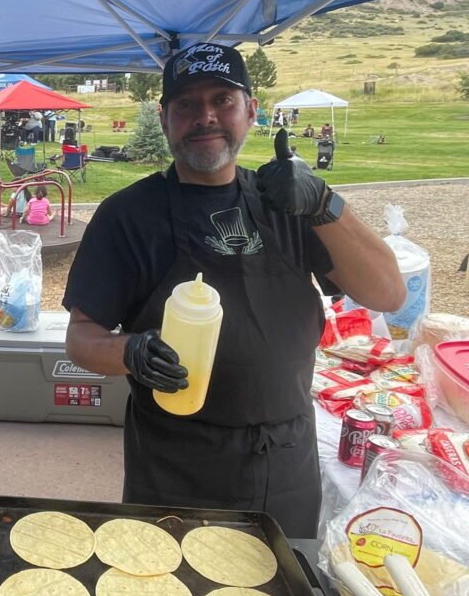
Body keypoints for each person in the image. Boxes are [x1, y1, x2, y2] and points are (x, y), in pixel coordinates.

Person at [61, 42, 404, 538]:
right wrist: (129, 351)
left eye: (222, 99)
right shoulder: (127, 216)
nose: (205, 116)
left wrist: (324, 203)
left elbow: (389, 294)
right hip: (170, 461)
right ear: (164, 119)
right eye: (186, 104)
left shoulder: (289, 204)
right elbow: (80, 338)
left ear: (251, 110)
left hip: (282, 459)